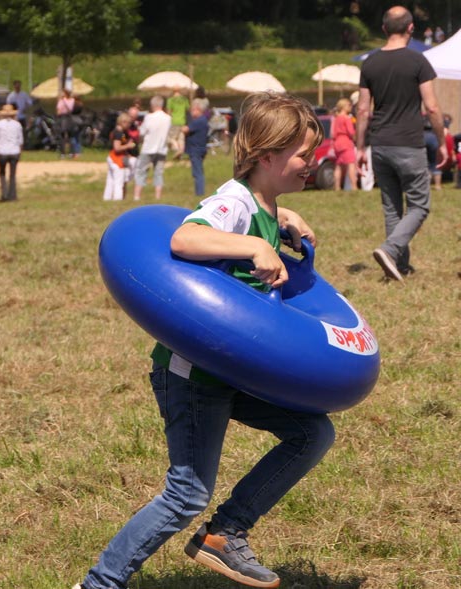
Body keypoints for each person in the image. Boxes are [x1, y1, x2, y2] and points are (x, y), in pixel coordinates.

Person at [74, 92, 333, 589]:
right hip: (193, 373)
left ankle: (225, 534)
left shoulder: (261, 204)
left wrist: (280, 221)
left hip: (236, 369)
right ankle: (99, 584)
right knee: (186, 494)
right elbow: (185, 238)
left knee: (312, 433)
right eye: (303, 154)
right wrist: (257, 242)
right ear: (266, 155)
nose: (312, 163)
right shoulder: (233, 202)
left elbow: (259, 221)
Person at [356, 5, 447, 281]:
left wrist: (360, 147)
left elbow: (362, 110)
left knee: (392, 207)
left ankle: (399, 265)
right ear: (411, 28)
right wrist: (442, 141)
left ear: (384, 29)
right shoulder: (418, 62)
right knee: (419, 206)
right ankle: (390, 248)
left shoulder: (369, 62)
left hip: (380, 144)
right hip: (409, 143)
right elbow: (431, 107)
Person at [133, 95, 172, 201]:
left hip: (148, 148)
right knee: (158, 173)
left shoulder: (149, 117)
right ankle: (157, 196)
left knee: (141, 171)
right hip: (161, 149)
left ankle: (137, 196)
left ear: (152, 105)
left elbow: (142, 132)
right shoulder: (168, 118)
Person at [0, 104, 23, 202]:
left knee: (2, 173)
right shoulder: (17, 125)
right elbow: (20, 141)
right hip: (14, 151)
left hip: (2, 152)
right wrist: (20, 152)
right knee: (12, 174)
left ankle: (4, 195)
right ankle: (12, 195)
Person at [102, 112, 135, 201]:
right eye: (128, 123)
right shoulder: (118, 133)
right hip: (116, 158)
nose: (129, 126)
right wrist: (128, 146)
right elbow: (117, 147)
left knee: (111, 180)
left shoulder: (120, 132)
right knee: (119, 180)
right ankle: (118, 198)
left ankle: (107, 198)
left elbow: (123, 142)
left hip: (113, 157)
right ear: (123, 122)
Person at [183, 101, 209, 197]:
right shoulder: (204, 120)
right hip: (200, 148)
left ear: (198, 110)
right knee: (197, 171)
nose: (191, 112)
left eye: (193, 110)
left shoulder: (199, 121)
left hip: (196, 149)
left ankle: (199, 193)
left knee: (198, 172)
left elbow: (186, 129)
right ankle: (198, 191)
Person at [332, 97, 358, 191]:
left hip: (337, 143)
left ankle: (337, 187)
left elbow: (333, 134)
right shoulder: (347, 118)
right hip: (346, 142)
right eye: (349, 105)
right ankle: (354, 186)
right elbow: (351, 132)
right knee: (351, 165)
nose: (350, 107)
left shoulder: (336, 118)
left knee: (338, 166)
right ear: (344, 107)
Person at [167, 86, 190, 160]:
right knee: (181, 138)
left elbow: (169, 112)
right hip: (182, 121)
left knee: (171, 138)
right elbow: (188, 109)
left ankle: (177, 149)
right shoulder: (184, 99)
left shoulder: (171, 100)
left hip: (174, 121)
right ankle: (181, 151)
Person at [56, 88, 77, 158]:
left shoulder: (61, 101)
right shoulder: (72, 100)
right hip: (69, 118)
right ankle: (72, 152)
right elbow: (71, 109)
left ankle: (63, 153)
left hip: (63, 118)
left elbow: (58, 111)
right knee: (70, 136)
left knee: (62, 136)